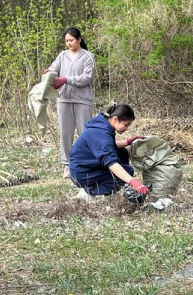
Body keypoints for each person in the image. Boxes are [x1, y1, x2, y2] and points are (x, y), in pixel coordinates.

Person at [69, 104, 148, 199]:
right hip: (83, 174)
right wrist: (133, 182)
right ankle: (92, 191)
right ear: (115, 119)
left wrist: (129, 141)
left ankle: (96, 186)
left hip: (85, 167)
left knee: (122, 152)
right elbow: (111, 162)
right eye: (126, 125)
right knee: (127, 171)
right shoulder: (101, 133)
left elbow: (109, 147)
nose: (127, 128)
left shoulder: (101, 126)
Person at [46, 28, 96, 177]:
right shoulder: (62, 56)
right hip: (64, 99)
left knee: (84, 133)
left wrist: (66, 79)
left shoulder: (88, 56)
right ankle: (67, 165)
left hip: (83, 100)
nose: (69, 43)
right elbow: (54, 68)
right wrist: (49, 72)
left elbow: (86, 77)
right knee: (65, 133)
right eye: (66, 41)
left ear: (79, 39)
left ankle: (87, 163)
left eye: (71, 40)